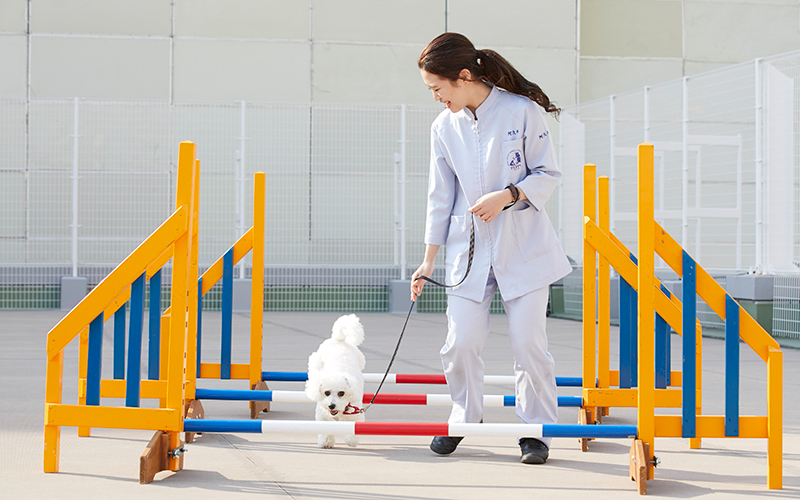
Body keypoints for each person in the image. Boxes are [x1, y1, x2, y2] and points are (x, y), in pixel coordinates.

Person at [410, 33, 572, 465]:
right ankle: (465, 417)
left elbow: (548, 173)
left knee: (528, 344)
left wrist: (508, 195)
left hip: (525, 246)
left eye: (437, 89)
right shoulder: (444, 127)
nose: (437, 98)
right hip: (469, 253)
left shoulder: (522, 111)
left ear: (463, 77)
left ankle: (536, 432)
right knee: (460, 342)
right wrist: (427, 261)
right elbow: (439, 196)